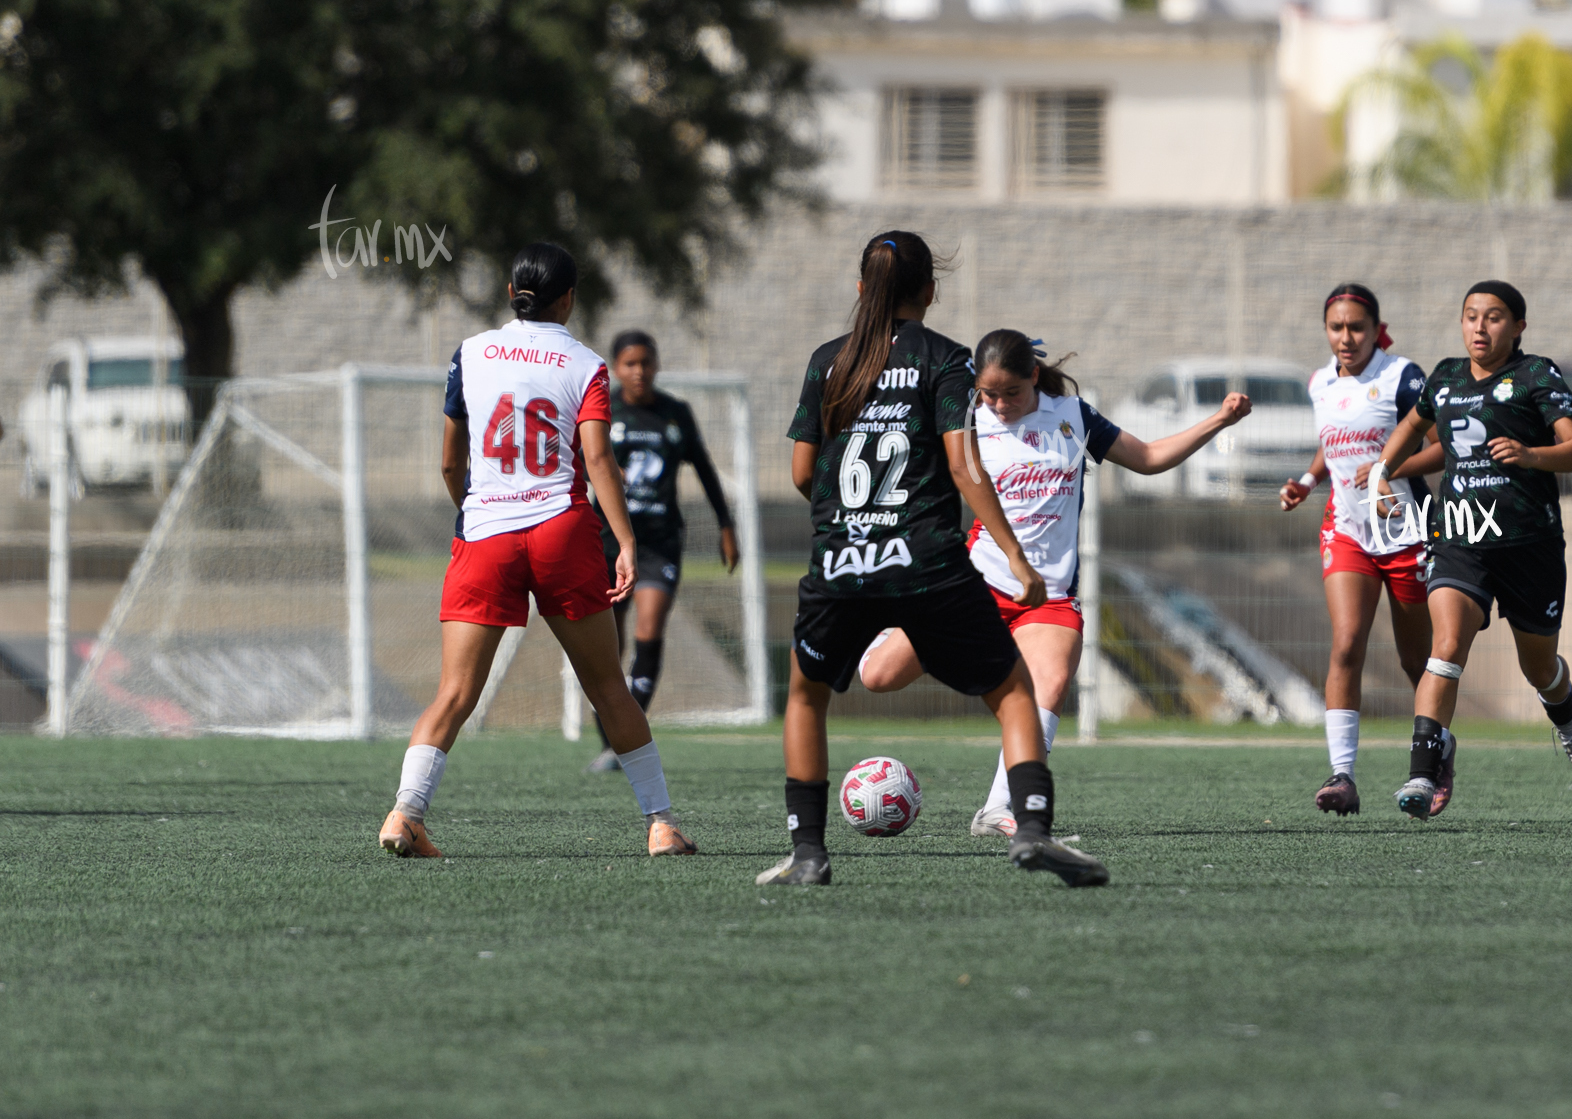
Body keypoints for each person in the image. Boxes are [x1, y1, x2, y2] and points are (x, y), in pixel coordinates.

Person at [763, 230, 1107, 888]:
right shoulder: (946, 359)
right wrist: (1014, 553)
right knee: (1013, 692)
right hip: (926, 558)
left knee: (805, 699)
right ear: (930, 291)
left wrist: (847, 520)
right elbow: (962, 463)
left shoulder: (827, 362)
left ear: (861, 289)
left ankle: (808, 851)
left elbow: (803, 470)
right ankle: (1030, 827)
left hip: (844, 559)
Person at [859, 328, 1251, 835]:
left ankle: (1000, 808)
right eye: (988, 393)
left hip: (1048, 596)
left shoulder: (1072, 417)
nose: (998, 405)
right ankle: (896, 616)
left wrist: (1219, 420)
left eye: (1011, 393)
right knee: (877, 678)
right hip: (974, 584)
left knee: (1049, 683)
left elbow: (1150, 459)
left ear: (1035, 377)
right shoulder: (967, 425)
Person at [379, 243, 696, 859]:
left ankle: (404, 815)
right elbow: (598, 459)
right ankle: (659, 824)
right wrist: (626, 542)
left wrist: (474, 510)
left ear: (509, 291)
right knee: (608, 687)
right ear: (570, 298)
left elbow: (451, 460)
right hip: (561, 531)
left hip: (487, 533)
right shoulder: (585, 363)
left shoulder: (470, 353)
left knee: (453, 693)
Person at [1367, 281, 1572, 819]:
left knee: (1538, 667)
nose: (1479, 327)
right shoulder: (1445, 378)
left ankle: (1563, 713)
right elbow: (1411, 428)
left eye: (1493, 318)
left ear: (1518, 327)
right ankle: (1423, 771)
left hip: (1528, 546)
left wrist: (1530, 454)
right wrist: (1382, 473)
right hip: (1461, 540)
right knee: (1445, 649)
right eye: (1471, 316)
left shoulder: (1537, 374)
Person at [1279, 284, 1446, 818]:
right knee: (1346, 642)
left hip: (1405, 530)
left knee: (1416, 661)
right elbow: (1335, 443)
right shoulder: (1319, 382)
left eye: (1356, 328)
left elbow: (1444, 446)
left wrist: (1386, 470)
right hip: (1346, 527)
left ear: (1377, 329)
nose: (1345, 338)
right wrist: (1307, 480)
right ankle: (1342, 775)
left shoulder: (1404, 378)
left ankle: (1437, 751)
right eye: (1336, 328)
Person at [585, 329, 740, 773]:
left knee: (649, 631)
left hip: (659, 541)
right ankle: (611, 743)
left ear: (656, 365)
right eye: (630, 364)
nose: (639, 371)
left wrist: (726, 525)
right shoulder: (602, 411)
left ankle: (625, 738)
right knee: (605, 648)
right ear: (616, 368)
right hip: (608, 541)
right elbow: (582, 468)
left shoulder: (674, 413)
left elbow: (706, 471)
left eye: (646, 363)